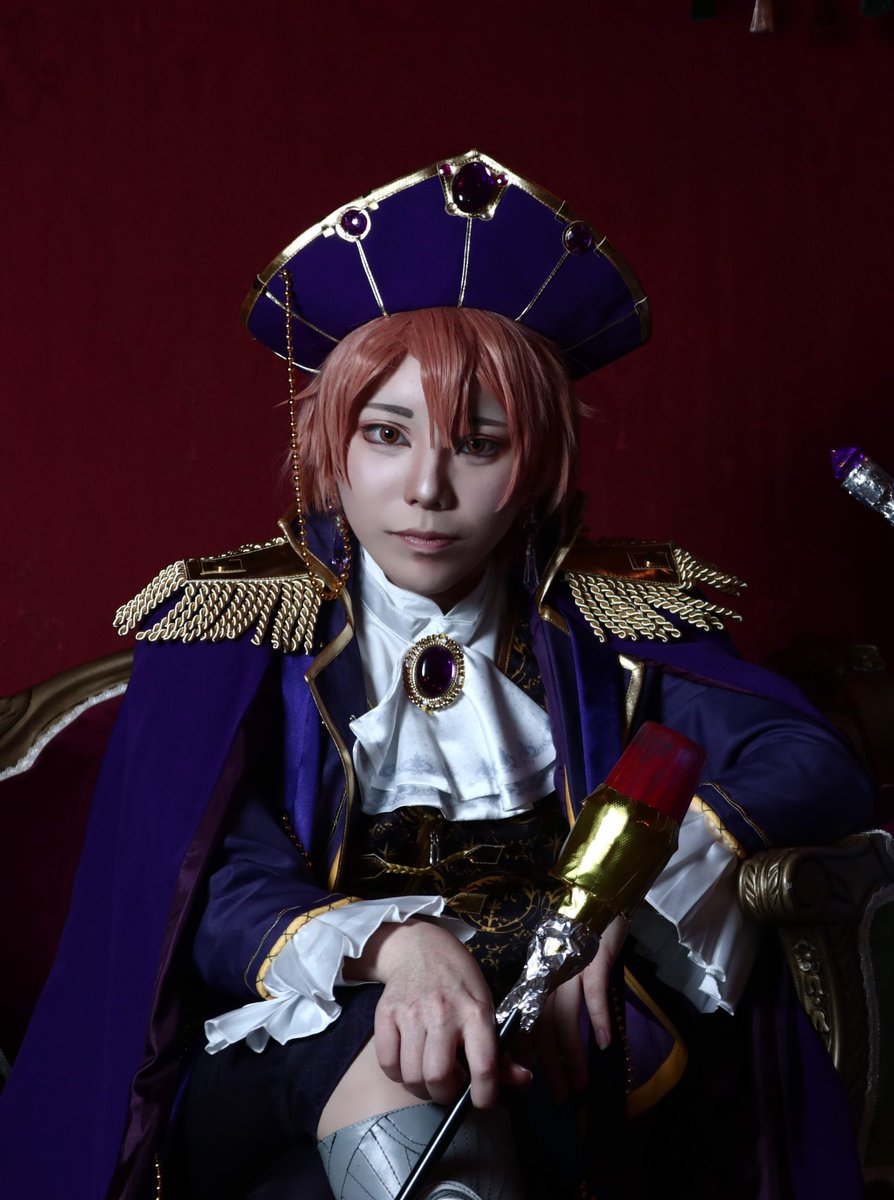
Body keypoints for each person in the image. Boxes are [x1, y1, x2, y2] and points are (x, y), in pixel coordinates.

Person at [0, 152, 874, 1200]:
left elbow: (806, 758)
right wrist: (400, 948)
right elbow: (215, 884)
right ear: (332, 448)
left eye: (479, 444)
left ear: (536, 466)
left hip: (546, 1067)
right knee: (403, 1051)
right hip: (292, 1051)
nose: (426, 487)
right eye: (386, 434)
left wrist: (611, 905)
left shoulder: (607, 623)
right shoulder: (233, 632)